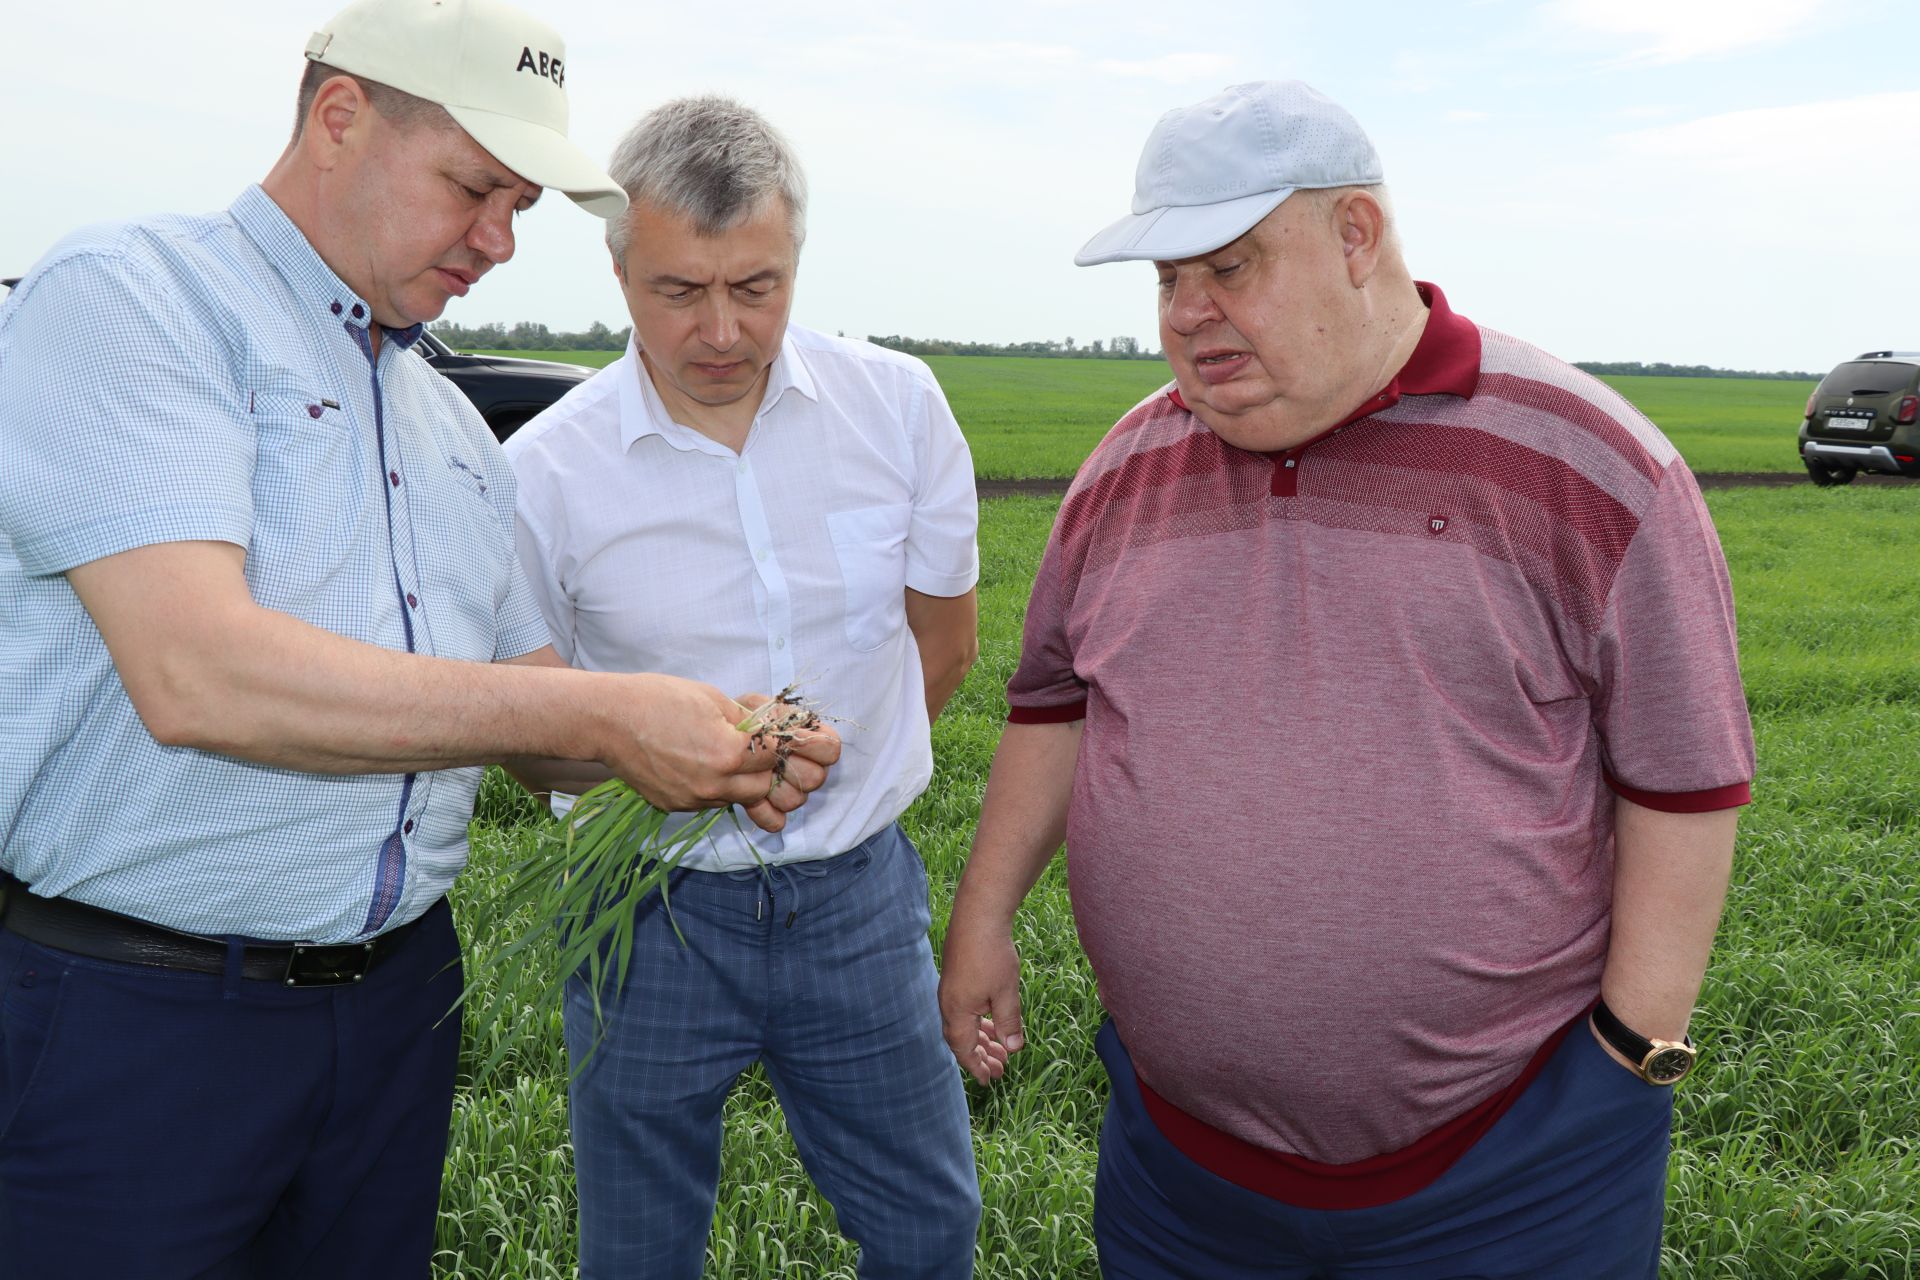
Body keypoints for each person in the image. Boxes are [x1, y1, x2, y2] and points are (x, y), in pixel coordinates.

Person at [0, 5, 836, 1278]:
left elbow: (531, 720)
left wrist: (713, 735)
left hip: (393, 1016)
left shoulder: (447, 425)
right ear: (340, 118)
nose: (498, 241)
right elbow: (198, 673)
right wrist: (597, 719)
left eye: (520, 207)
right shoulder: (138, 302)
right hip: (135, 1010)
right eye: (471, 188)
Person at [938, 80, 1755, 1278]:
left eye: (1228, 265)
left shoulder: (1593, 463)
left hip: (1517, 1177)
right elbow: (1054, 705)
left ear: (1357, 237)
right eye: (1167, 280)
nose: (1190, 314)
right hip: (1182, 1175)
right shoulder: (1123, 471)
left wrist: (1632, 1051)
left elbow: (1684, 779)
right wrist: (983, 914)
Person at [503, 95, 983, 1279]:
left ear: (796, 259)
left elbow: (947, 643)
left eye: (757, 286)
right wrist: (658, 764)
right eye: (680, 290)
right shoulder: (542, 475)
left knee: (929, 1230)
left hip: (860, 903)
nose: (722, 329)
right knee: (638, 1247)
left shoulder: (901, 408)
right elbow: (529, 732)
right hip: (644, 906)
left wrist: (828, 771)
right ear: (621, 272)